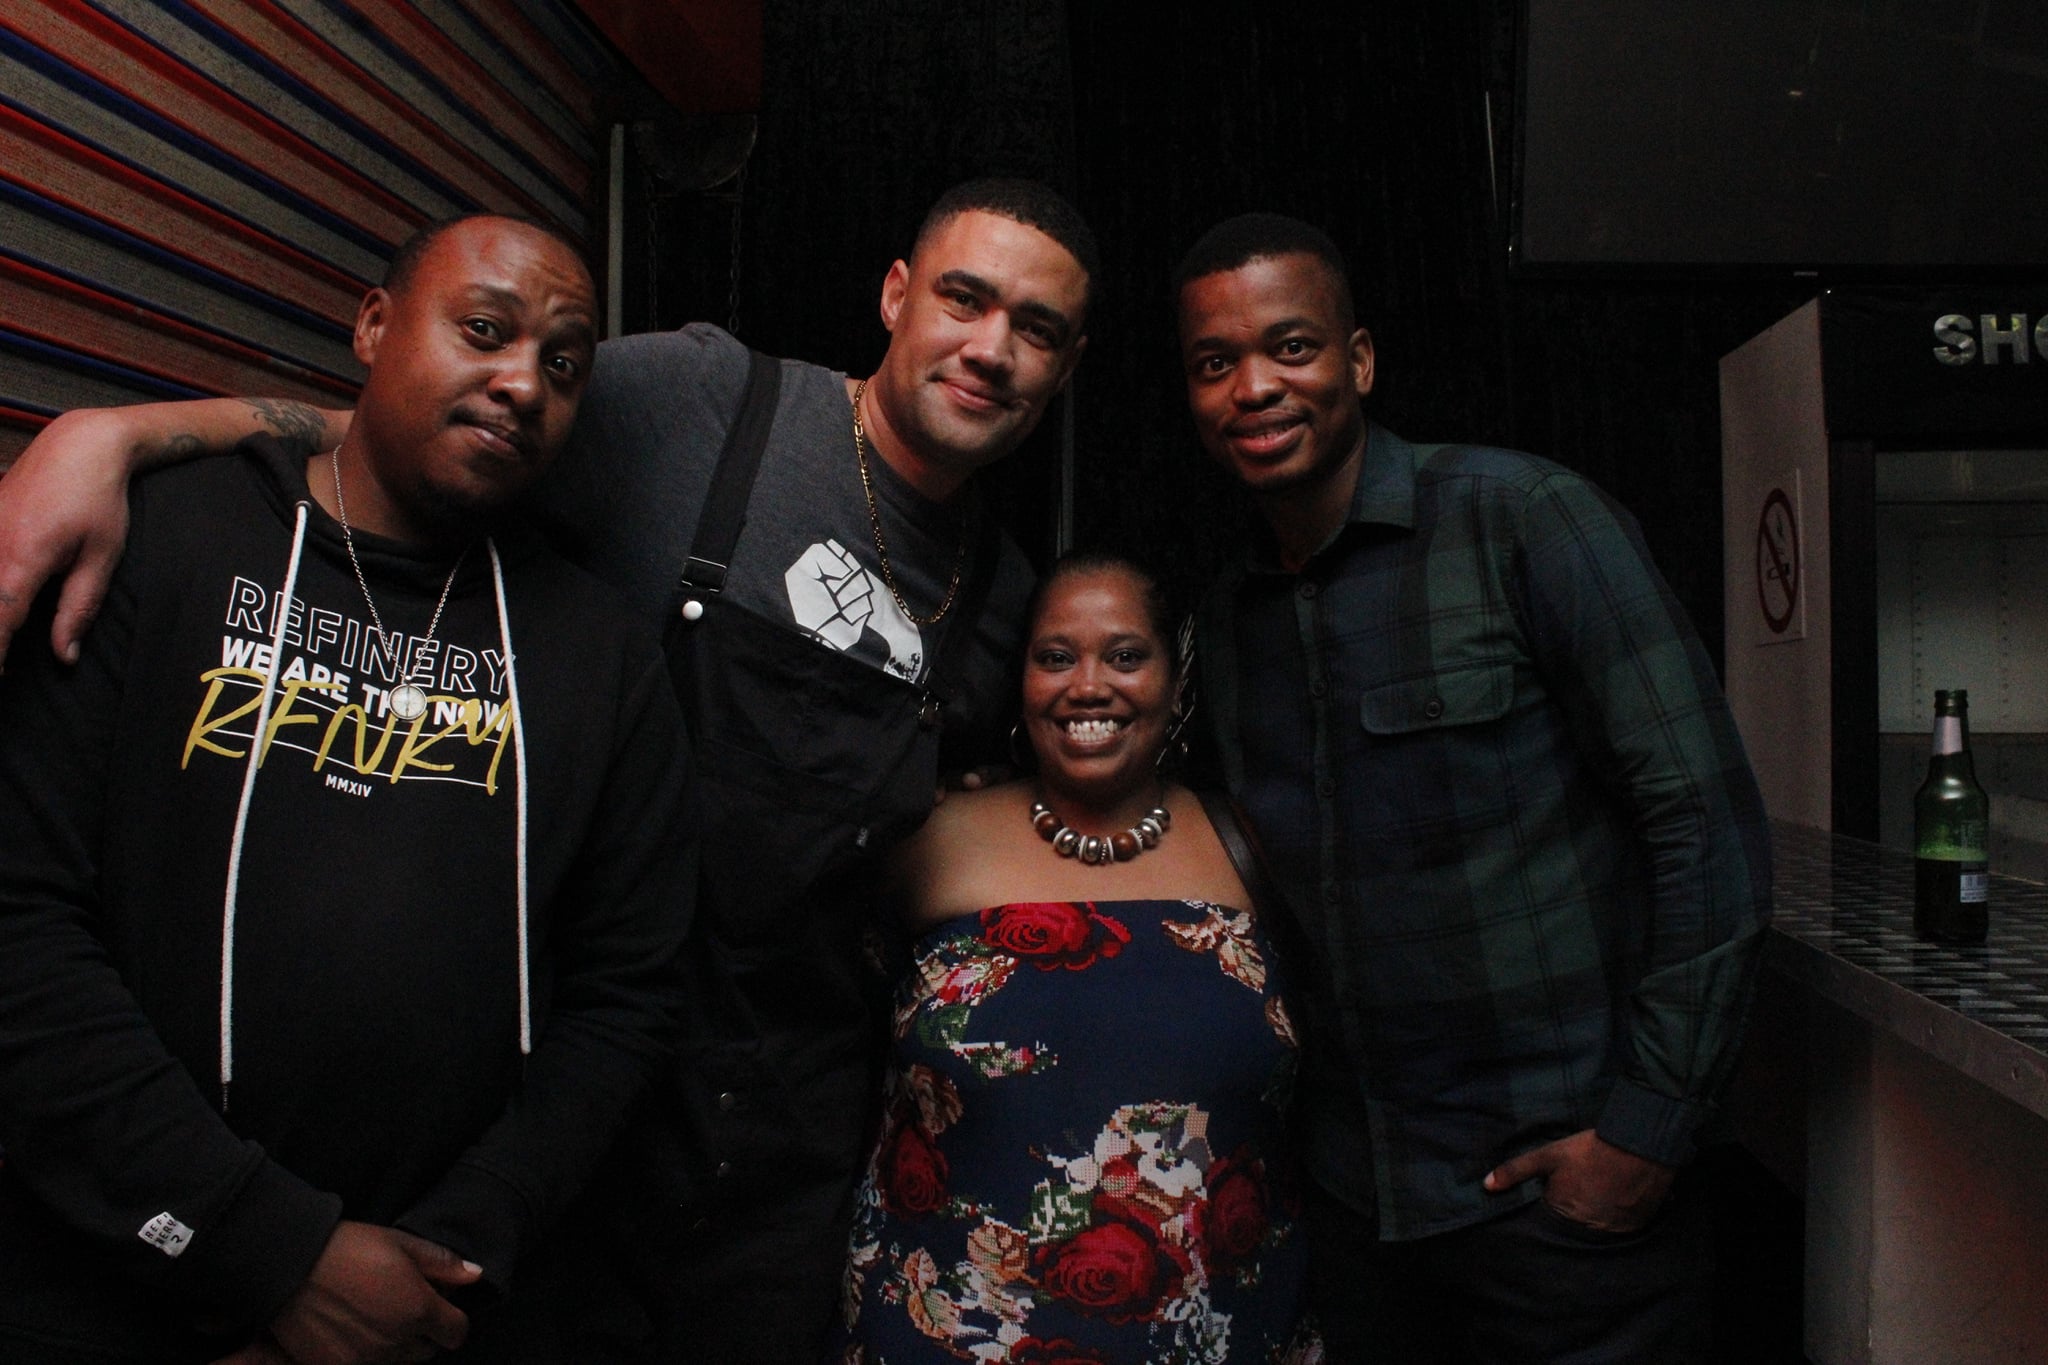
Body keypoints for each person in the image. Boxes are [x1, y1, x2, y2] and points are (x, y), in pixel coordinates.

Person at [0, 178, 1096, 1363]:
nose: (990, 348)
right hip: (572, 1168)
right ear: (894, 295)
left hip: (775, 1157)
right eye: (964, 299)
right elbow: (431, 412)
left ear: (1067, 365)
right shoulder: (701, 396)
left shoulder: (1004, 606)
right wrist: (112, 436)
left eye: (1035, 329)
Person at [0, 214, 695, 1364]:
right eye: (484, 330)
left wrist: (439, 1262)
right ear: (374, 326)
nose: (523, 383)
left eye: (565, 365)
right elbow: (20, 916)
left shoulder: (603, 656)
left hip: (422, 1310)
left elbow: (628, 995)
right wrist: (266, 1249)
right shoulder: (165, 539)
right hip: (96, 1287)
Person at [1174, 213, 1773, 1363]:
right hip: (1355, 1216)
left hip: (1564, 1215)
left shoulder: (1523, 519)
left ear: (1356, 359)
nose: (1253, 387)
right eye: (1214, 362)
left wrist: (1644, 1133)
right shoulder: (1227, 614)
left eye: (1290, 347)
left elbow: (1706, 831)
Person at [836, 552, 1319, 1363]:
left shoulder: (1251, 846)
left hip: (1217, 1332)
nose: (1088, 685)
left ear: (1175, 680)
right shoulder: (930, 839)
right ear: (1022, 682)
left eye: (1125, 655)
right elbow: (827, 1037)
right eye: (1056, 656)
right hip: (948, 1334)